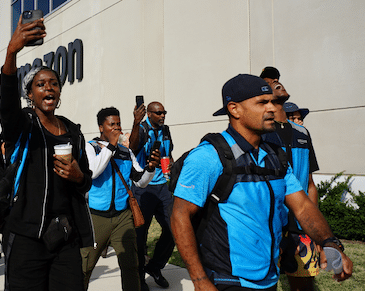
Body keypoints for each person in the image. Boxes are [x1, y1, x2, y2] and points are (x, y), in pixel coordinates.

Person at [170, 74, 353, 290]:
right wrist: (200, 281)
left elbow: (303, 207)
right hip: (228, 280)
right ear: (234, 109)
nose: (273, 109)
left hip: (269, 278)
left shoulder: (275, 156)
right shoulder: (209, 157)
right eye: (262, 102)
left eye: (273, 102)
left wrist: (330, 242)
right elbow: (179, 216)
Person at [0, 16, 94, 291]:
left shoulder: (73, 132)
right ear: (30, 94)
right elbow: (6, 104)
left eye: (53, 83)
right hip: (27, 236)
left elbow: (86, 180)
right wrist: (11, 52)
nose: (48, 87)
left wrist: (78, 176)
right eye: (40, 84)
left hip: (65, 234)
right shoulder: (24, 125)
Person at [81, 107, 160, 291]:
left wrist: (150, 168)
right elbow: (93, 172)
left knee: (131, 265)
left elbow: (140, 181)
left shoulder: (126, 152)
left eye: (118, 124)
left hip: (123, 217)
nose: (116, 128)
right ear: (101, 127)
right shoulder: (89, 147)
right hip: (96, 217)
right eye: (111, 125)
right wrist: (111, 147)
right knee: (84, 267)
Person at [262, 86, 320, 291]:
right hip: (270, 225)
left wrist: (315, 227)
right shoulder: (262, 133)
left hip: (301, 224)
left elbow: (311, 184)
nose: (298, 118)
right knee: (264, 284)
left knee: (303, 284)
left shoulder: (303, 134)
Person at [128, 101, 174, 290]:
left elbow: (168, 153)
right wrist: (135, 123)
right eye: (158, 113)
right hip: (143, 188)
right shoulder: (142, 129)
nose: (163, 116)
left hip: (163, 186)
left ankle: (155, 267)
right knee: (140, 236)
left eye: (164, 112)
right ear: (149, 114)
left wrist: (170, 163)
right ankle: (139, 278)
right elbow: (132, 146)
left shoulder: (166, 130)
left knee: (174, 229)